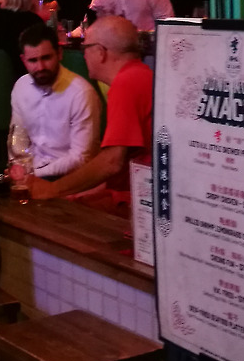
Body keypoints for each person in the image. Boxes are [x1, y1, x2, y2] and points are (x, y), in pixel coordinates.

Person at [24, 15, 153, 216]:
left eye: (85, 48)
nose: (83, 55)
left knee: (48, 213)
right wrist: (73, 193)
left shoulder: (126, 83)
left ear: (100, 52)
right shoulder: (140, 74)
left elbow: (112, 162)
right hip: (141, 193)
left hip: (144, 204)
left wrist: (52, 189)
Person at [10, 24, 100, 178]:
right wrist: (17, 167)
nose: (40, 67)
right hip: (33, 172)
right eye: (33, 60)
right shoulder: (21, 87)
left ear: (59, 54)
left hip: (71, 178)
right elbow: (18, 139)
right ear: (24, 60)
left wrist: (33, 174)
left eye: (46, 58)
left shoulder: (81, 93)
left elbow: (81, 158)